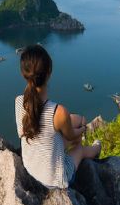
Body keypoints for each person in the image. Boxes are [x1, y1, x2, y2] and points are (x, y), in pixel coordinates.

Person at [15, 45, 101, 189]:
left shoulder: (19, 102)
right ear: (49, 72)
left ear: (24, 74)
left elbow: (24, 132)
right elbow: (72, 136)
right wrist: (83, 128)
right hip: (53, 180)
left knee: (72, 120)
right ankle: (97, 147)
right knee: (79, 149)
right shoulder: (58, 111)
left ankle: (80, 122)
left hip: (31, 166)